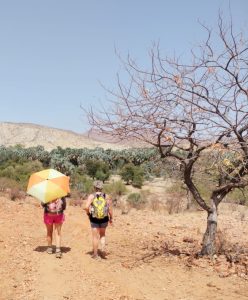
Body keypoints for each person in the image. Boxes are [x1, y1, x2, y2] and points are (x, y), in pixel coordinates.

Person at [84, 180, 113, 260]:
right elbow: (110, 209)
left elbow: (86, 207)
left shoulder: (91, 196)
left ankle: (95, 255)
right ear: (102, 188)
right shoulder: (106, 196)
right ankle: (103, 249)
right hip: (104, 218)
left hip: (94, 219)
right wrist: (111, 218)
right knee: (102, 234)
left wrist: (88, 213)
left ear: (94, 187)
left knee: (95, 237)